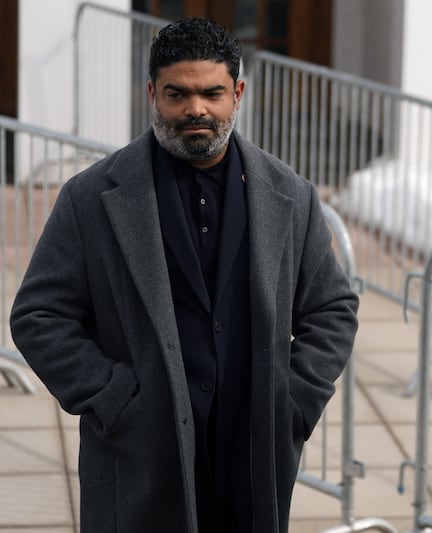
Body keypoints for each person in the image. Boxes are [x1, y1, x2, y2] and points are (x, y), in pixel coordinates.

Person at [10, 17, 358, 533]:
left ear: (237, 93)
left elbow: (332, 308)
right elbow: (38, 316)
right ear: (152, 93)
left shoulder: (290, 195)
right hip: (141, 457)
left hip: (251, 453)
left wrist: (293, 400)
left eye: (212, 93)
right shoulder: (90, 198)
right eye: (178, 94)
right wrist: (116, 399)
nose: (196, 109)